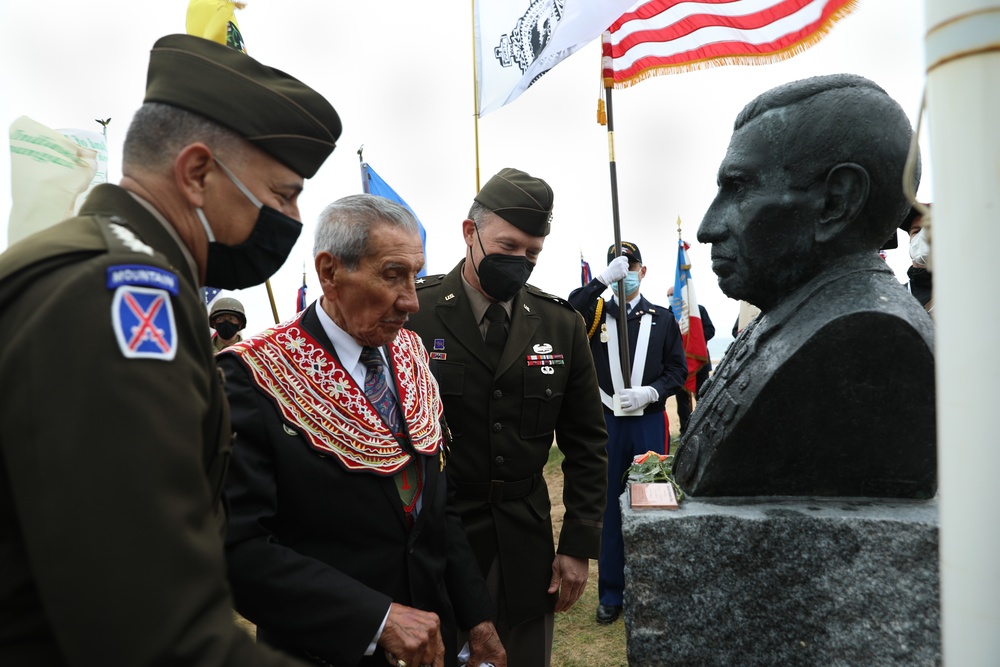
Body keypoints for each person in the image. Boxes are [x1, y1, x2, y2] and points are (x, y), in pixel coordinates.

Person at [0, 34, 341, 666]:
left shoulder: (113, 268)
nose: (293, 218)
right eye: (283, 194)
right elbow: (151, 633)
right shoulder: (121, 295)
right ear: (197, 173)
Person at [219, 194, 505, 667]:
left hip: (433, 645)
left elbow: (436, 507)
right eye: (393, 275)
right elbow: (237, 550)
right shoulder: (252, 379)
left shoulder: (411, 354)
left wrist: (477, 617)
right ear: (330, 273)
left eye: (415, 275)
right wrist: (376, 619)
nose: (412, 301)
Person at [674, 73, 936, 498]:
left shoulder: (870, 340)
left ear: (836, 202)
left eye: (738, 188)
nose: (707, 228)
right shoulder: (792, 313)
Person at [406, 168, 608, 667]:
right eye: (509, 246)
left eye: (533, 253)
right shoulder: (414, 314)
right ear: (469, 233)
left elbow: (586, 442)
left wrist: (578, 544)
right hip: (436, 540)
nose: (521, 262)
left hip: (525, 543)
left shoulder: (561, 325)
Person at [567, 242, 687, 626]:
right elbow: (568, 311)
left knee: (651, 504)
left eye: (630, 264)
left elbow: (677, 371)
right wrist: (601, 281)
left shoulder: (663, 319)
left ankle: (651, 588)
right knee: (608, 510)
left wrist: (652, 392)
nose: (625, 271)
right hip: (607, 425)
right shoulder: (595, 313)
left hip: (648, 422)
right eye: (618, 265)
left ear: (643, 270)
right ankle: (612, 593)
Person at [665, 285, 716, 434]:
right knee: (682, 402)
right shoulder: (669, 313)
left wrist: (693, 341)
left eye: (672, 294)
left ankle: (706, 431)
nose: (670, 297)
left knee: (703, 398)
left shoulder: (698, 310)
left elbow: (710, 330)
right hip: (679, 365)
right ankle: (685, 433)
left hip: (699, 363)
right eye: (668, 295)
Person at [902, 203, 933, 312]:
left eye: (930, 228)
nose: (922, 236)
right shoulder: (895, 296)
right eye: (916, 231)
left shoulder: (967, 293)